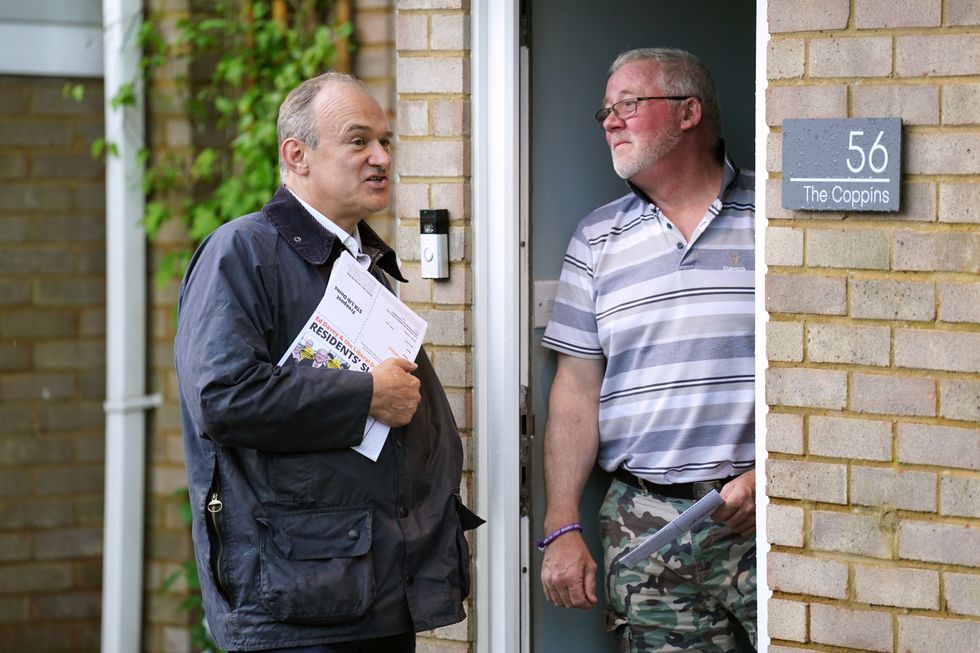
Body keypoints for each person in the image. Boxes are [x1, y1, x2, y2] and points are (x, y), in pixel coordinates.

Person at [175, 72, 481, 653]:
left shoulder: (363, 262)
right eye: (358, 140)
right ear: (298, 155)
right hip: (296, 606)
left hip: (373, 593)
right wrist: (365, 396)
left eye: (386, 142)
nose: (380, 157)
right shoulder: (240, 252)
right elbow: (223, 399)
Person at [538, 48, 757, 652]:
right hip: (646, 528)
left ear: (689, 112)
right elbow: (576, 391)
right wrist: (561, 523)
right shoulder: (597, 239)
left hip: (767, 518)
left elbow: (829, 362)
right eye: (606, 110)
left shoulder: (777, 221)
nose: (610, 120)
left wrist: (776, 477)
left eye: (628, 105)